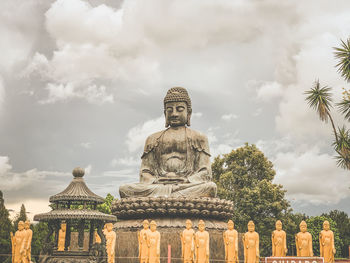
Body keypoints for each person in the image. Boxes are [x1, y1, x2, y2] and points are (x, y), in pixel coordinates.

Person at [119, 87, 217, 198]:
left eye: (179, 109)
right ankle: (172, 197)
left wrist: (187, 180)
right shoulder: (152, 139)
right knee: (125, 189)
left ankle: (166, 198)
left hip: (186, 186)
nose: (174, 114)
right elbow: (145, 172)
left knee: (210, 187)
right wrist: (155, 181)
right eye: (170, 110)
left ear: (188, 112)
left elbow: (205, 172)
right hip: (158, 186)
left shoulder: (199, 137)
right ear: (165, 113)